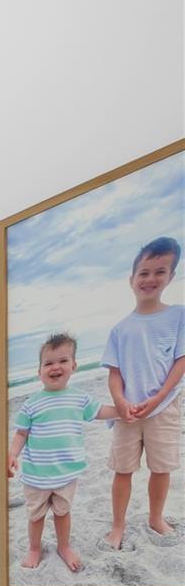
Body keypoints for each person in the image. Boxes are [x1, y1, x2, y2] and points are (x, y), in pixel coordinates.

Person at [10, 333, 119, 573]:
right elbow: (21, 434)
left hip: (67, 474)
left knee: (63, 512)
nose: (55, 367)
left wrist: (123, 409)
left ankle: (63, 546)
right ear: (39, 371)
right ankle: (35, 548)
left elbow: (101, 411)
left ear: (73, 366)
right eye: (48, 363)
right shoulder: (31, 403)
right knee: (36, 515)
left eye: (62, 361)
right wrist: (12, 455)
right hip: (37, 475)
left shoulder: (80, 398)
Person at [104, 235, 185, 548]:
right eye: (144, 272)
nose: (151, 279)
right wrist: (120, 402)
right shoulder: (120, 329)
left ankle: (155, 517)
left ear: (171, 277)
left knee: (161, 467)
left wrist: (158, 398)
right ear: (131, 278)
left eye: (160, 272)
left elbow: (180, 363)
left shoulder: (178, 316)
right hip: (128, 412)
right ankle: (118, 525)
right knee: (122, 470)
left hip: (163, 409)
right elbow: (114, 374)